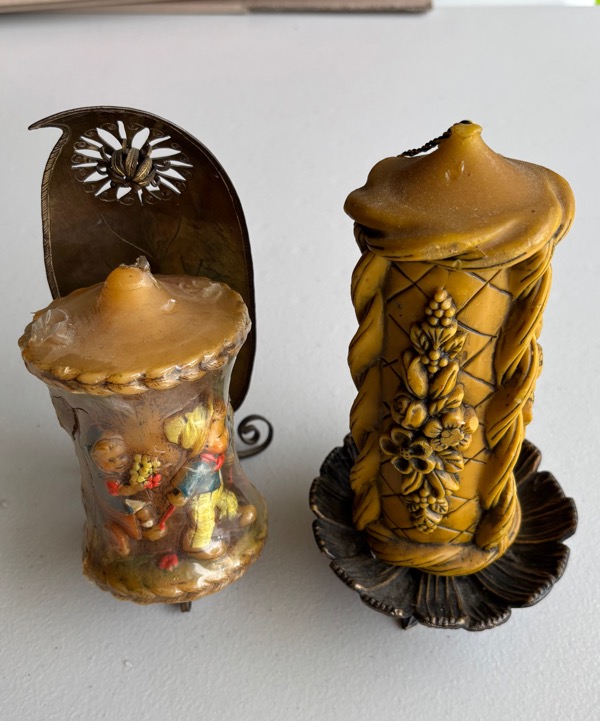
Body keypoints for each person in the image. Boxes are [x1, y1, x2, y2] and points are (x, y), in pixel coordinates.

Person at [164, 399, 255, 560]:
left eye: (223, 432)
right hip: (201, 500)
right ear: (203, 444)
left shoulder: (214, 458)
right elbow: (187, 483)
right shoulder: (198, 465)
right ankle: (196, 545)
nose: (225, 436)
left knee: (228, 500)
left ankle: (233, 515)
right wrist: (180, 495)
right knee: (203, 522)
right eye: (219, 435)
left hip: (216, 490)